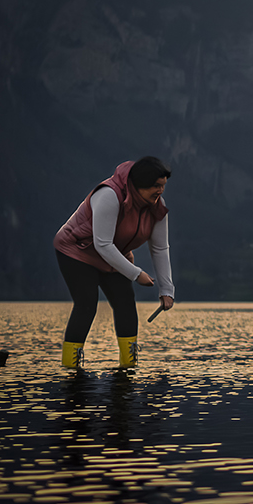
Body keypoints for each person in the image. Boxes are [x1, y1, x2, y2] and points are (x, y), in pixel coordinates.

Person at [53, 157, 174, 370]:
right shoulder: (109, 195)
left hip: (115, 254)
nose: (161, 191)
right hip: (78, 251)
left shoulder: (157, 206)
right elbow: (102, 244)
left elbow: (160, 248)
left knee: (126, 303)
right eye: (156, 186)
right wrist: (137, 274)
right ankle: (70, 368)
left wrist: (167, 289)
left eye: (163, 186)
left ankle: (128, 366)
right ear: (140, 184)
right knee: (86, 304)